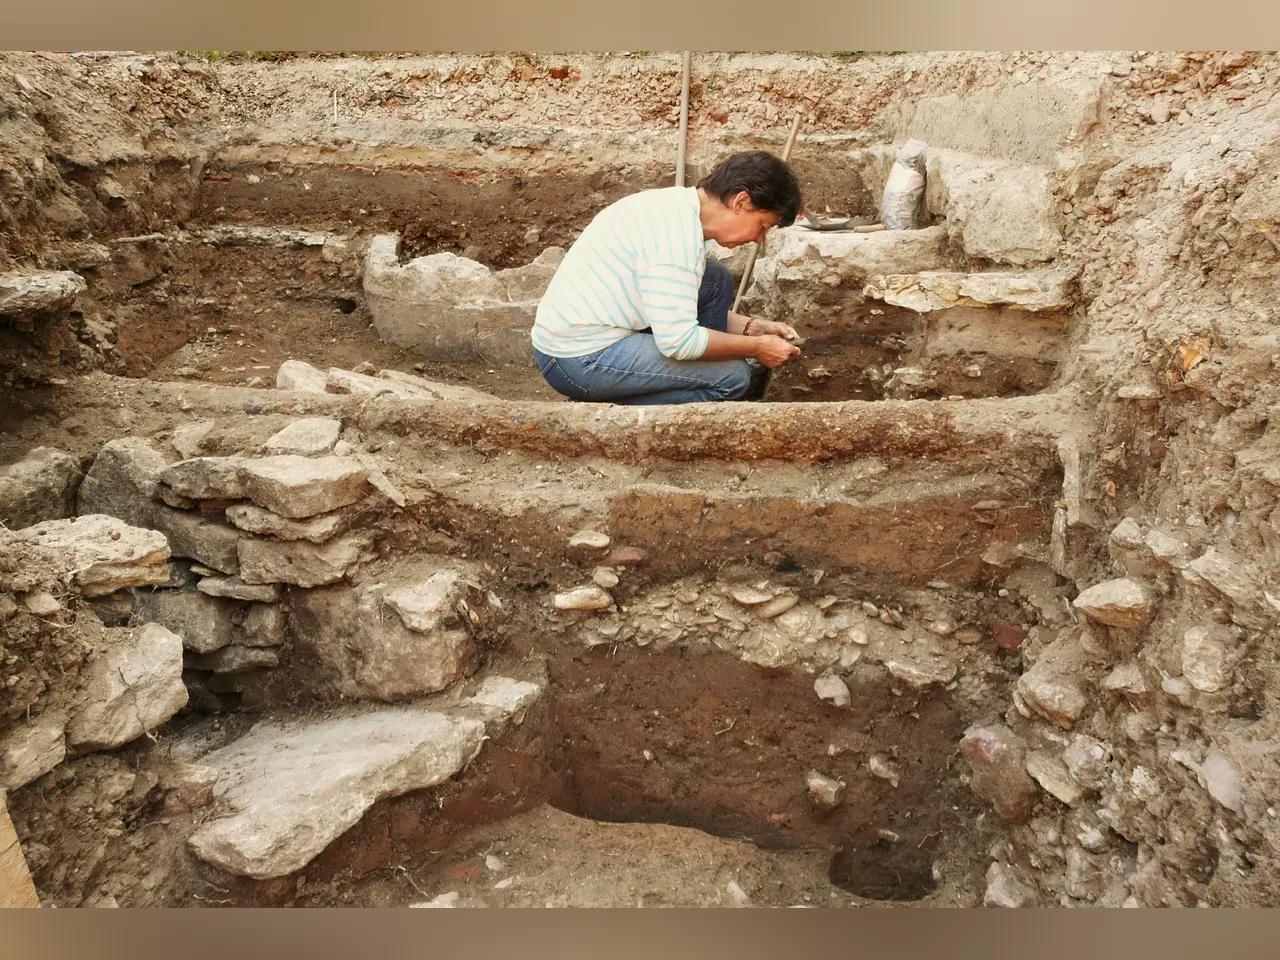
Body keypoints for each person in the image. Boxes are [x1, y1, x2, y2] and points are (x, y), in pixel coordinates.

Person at [530, 151, 803, 405]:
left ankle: (693, 372)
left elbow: (673, 305)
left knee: (714, 280)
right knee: (733, 377)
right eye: (762, 226)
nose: (757, 239)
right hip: (579, 358)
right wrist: (756, 348)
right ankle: (602, 410)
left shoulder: (678, 208)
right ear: (741, 202)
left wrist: (751, 328)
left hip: (579, 338)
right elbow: (679, 341)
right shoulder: (675, 240)